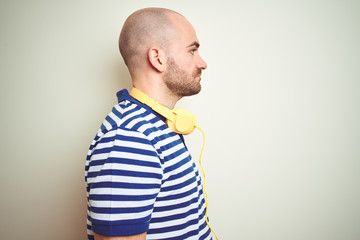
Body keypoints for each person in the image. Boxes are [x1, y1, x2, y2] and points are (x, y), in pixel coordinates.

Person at [85, 7, 209, 240]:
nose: (202, 63)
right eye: (192, 50)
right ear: (157, 58)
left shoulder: (156, 126)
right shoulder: (128, 139)